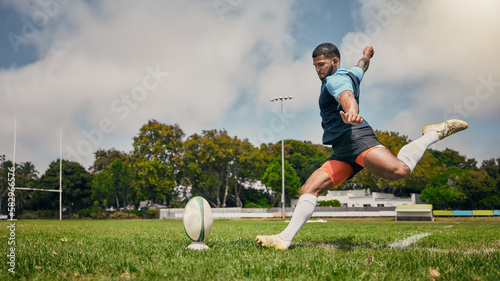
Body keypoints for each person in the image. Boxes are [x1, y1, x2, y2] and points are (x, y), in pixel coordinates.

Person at [255, 43, 468, 250]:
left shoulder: (334, 80)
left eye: (321, 64)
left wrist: (352, 112)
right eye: (315, 66)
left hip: (356, 139)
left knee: (399, 170)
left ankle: (432, 133)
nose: (318, 69)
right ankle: (284, 239)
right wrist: (367, 55)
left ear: (335, 61)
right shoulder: (352, 73)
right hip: (342, 149)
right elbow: (362, 66)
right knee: (310, 188)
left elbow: (346, 96)